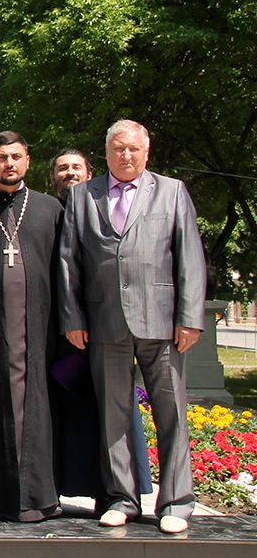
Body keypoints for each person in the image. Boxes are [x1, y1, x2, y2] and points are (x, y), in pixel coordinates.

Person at [59, 120, 205, 534]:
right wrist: (73, 317)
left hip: (163, 325)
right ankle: (121, 498)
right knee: (114, 416)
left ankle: (176, 502)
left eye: (133, 149)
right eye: (118, 149)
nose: (125, 155)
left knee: (171, 415)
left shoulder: (171, 191)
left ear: (146, 151)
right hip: (105, 322)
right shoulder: (83, 196)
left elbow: (189, 256)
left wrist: (190, 318)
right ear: (106, 153)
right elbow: (69, 260)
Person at [0, 132, 63, 522]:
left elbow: (66, 273)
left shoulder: (50, 210)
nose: (9, 164)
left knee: (37, 409)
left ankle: (38, 494)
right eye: (1, 157)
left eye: (16, 157)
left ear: (28, 161)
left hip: (40, 332)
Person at [45, 147, 154, 508]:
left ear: (90, 174)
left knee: (112, 413)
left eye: (76, 167)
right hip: (62, 336)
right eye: (62, 168)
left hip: (105, 331)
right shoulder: (46, 214)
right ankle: (60, 486)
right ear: (52, 177)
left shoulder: (106, 208)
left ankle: (115, 493)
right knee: (67, 416)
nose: (70, 173)